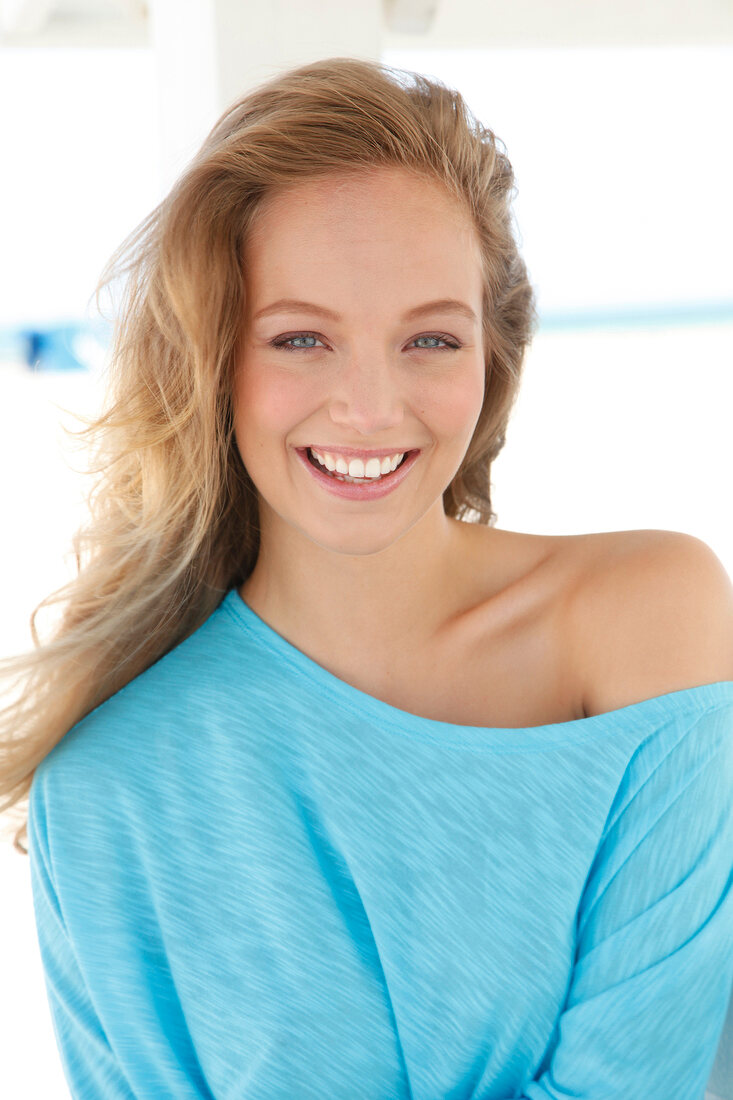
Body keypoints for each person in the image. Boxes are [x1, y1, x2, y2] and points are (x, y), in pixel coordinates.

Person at [1, 55, 732, 1100]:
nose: (370, 406)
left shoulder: (646, 613)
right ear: (214, 361)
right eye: (301, 337)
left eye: (430, 338)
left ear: (493, 359)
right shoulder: (111, 787)